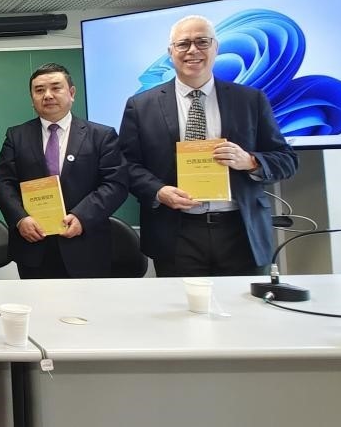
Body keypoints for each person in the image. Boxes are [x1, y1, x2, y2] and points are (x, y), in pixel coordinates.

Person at [120, 15, 298, 277]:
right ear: (170, 52)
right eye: (183, 44)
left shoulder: (250, 100)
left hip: (240, 231)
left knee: (243, 303)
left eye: (202, 42)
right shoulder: (141, 105)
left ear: (216, 47)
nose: (192, 50)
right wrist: (158, 191)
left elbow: (286, 159)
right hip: (176, 233)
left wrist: (250, 161)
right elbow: (127, 165)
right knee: (182, 303)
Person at [0, 63, 128, 278]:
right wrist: (20, 219)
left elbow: (115, 184)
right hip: (33, 245)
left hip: (86, 244)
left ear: (71, 93)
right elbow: (3, 184)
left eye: (56, 88)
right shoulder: (16, 136)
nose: (47, 95)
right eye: (39, 90)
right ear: (32, 99)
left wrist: (82, 216)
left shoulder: (101, 136)